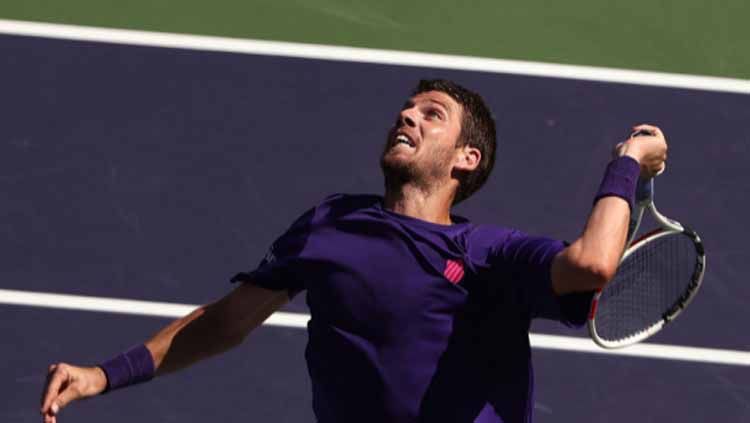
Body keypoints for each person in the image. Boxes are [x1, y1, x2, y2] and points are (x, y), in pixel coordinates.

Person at [40, 79, 667, 423]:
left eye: (432, 114)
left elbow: (593, 262)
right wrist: (104, 374)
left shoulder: (489, 254)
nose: (407, 115)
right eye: (407, 108)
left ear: (465, 159)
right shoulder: (332, 224)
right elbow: (228, 321)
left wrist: (627, 164)